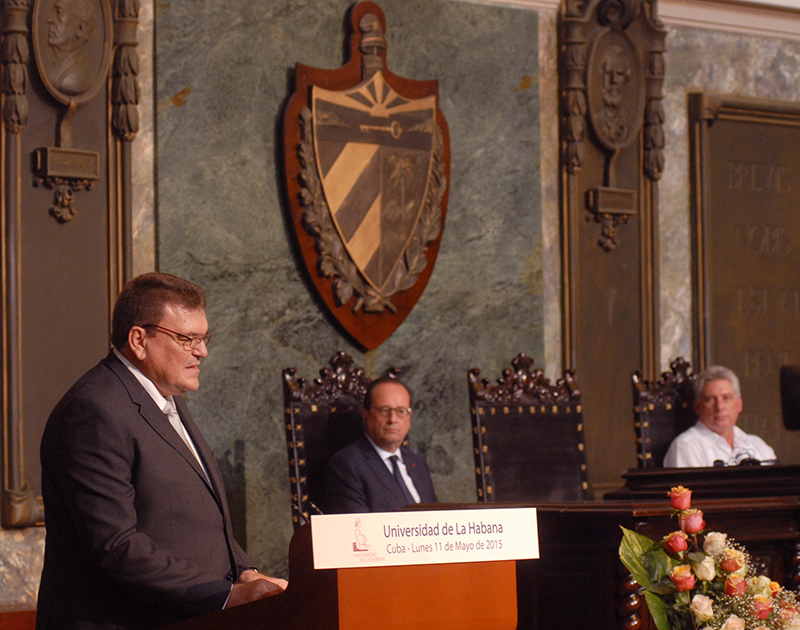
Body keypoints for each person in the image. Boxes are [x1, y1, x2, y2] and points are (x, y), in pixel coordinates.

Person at [36, 272, 286, 630]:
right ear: (139, 340)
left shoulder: (165, 397)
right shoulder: (94, 410)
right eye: (188, 339)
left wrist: (244, 572)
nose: (202, 351)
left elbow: (193, 517)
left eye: (203, 337)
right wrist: (224, 595)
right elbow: (116, 544)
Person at [324, 376, 437, 513]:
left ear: (409, 417)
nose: (393, 419)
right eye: (384, 410)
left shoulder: (418, 463)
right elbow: (357, 530)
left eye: (401, 411)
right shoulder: (347, 464)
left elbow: (435, 517)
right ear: (366, 415)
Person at [663, 365, 777, 468]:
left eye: (726, 398)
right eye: (710, 399)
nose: (720, 407)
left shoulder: (758, 445)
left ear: (739, 404)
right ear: (697, 406)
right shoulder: (687, 446)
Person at [46, 0, 94, 95]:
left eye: (59, 13)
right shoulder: (57, 71)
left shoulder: (76, 78)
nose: (50, 19)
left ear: (81, 27)